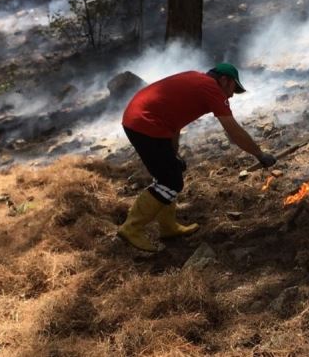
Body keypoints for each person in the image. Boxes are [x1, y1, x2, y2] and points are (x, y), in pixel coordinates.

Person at [118, 63, 277, 252]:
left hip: (138, 118)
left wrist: (173, 153)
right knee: (171, 182)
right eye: (233, 89)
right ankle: (131, 228)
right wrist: (259, 154)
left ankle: (168, 227)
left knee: (170, 172)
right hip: (145, 123)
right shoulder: (212, 88)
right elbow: (233, 130)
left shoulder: (196, 79)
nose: (231, 95)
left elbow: (174, 118)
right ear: (224, 80)